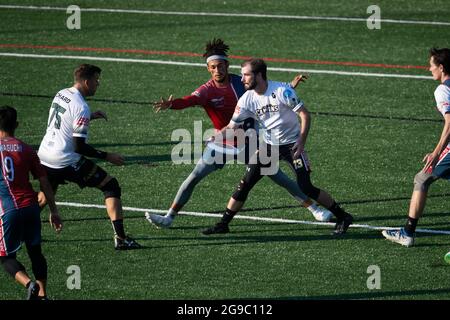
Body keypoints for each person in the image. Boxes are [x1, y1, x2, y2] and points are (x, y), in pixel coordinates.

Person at [145, 38, 333, 228]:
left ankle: (316, 209)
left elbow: (267, 88)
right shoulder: (206, 91)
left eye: (220, 66)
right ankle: (169, 217)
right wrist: (172, 104)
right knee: (193, 177)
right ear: (208, 69)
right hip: (222, 142)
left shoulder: (241, 82)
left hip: (249, 142)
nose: (217, 71)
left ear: (227, 65)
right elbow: (190, 100)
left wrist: (289, 86)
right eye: (213, 67)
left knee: (279, 177)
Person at [202, 58, 354, 235]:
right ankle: (223, 224)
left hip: (292, 146)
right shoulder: (246, 99)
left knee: (306, 187)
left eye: (246, 75)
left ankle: (343, 216)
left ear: (259, 75)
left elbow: (305, 115)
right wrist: (217, 136)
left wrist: (301, 141)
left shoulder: (282, 91)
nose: (242, 79)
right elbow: (232, 126)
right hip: (268, 146)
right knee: (245, 183)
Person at [37, 64, 141, 250]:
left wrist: (89, 116)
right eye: (96, 80)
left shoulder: (61, 93)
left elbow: (63, 120)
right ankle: (122, 239)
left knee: (45, 195)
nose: (98, 84)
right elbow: (79, 146)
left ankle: (17, 231)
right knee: (110, 185)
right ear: (86, 82)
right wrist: (107, 155)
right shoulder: (81, 106)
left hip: (44, 156)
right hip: (65, 159)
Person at [382, 48, 450, 247]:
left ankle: (407, 233)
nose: (429, 69)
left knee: (422, 178)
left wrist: (436, 153)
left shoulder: (443, 90)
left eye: (432, 65)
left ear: (442, 67)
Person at [0, 106, 62, 300]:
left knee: (4, 257)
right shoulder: (27, 149)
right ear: (16, 125)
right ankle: (43, 295)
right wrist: (53, 211)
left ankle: (29, 284)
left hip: (9, 210)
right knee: (35, 253)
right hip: (31, 208)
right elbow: (44, 183)